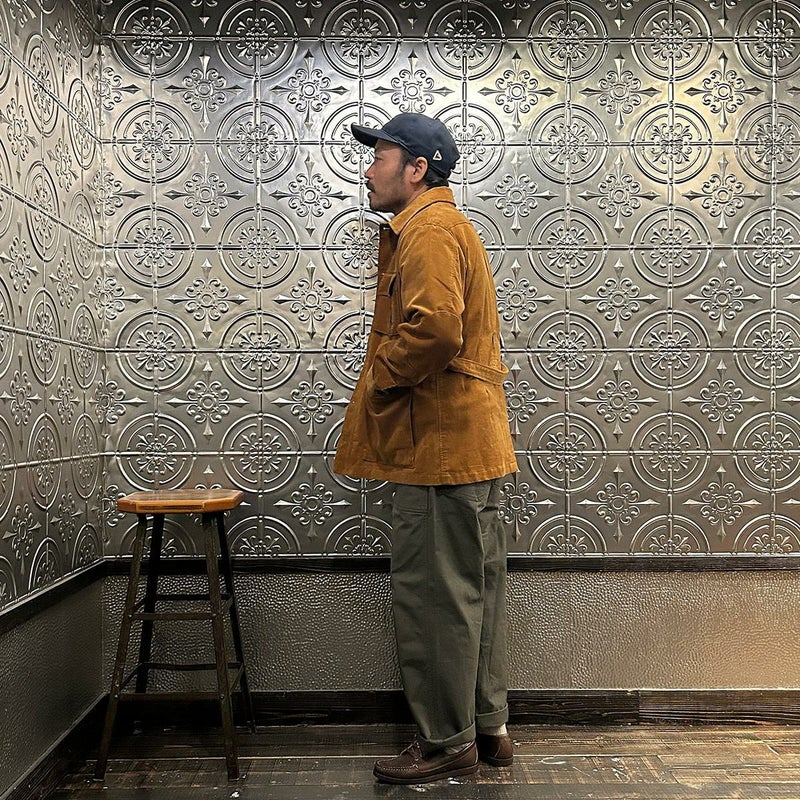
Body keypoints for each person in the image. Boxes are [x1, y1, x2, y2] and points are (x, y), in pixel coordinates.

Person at [333, 112, 518, 785]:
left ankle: (446, 742)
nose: (367, 170)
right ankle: (486, 727)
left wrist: (383, 375)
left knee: (436, 598)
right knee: (473, 593)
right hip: (470, 444)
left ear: (417, 168)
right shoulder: (443, 226)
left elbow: (436, 331)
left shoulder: (430, 229)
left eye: (378, 157)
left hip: (439, 447)